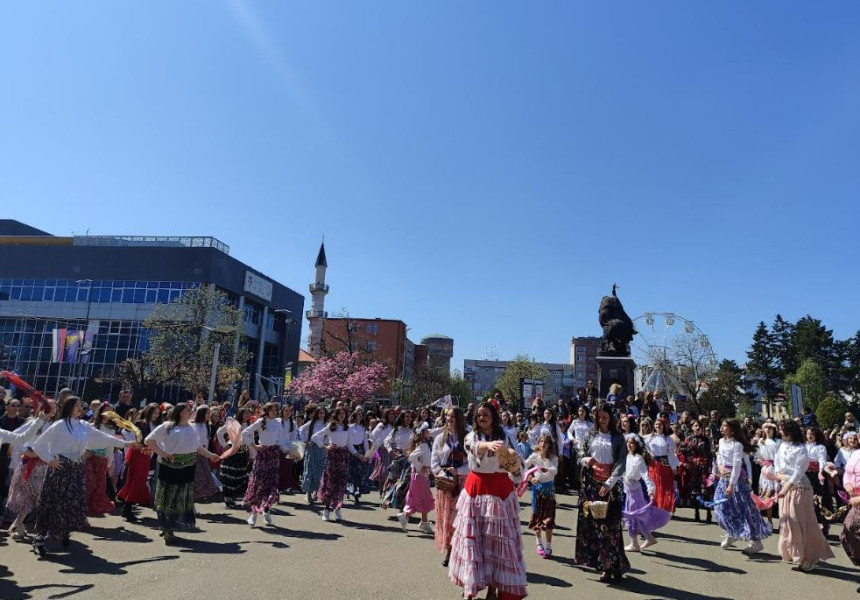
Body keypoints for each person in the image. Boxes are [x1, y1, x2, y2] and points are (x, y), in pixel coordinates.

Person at [30, 395, 135, 554]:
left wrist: (124, 443)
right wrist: (50, 460)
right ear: (68, 406)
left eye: (81, 405)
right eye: (76, 405)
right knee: (53, 501)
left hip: (76, 468)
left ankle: (63, 531)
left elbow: (102, 436)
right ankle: (39, 537)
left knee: (71, 502)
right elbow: (39, 444)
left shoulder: (84, 425)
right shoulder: (60, 425)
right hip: (59, 468)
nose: (80, 408)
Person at [448, 401, 526, 600]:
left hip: (500, 492)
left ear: (494, 417)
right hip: (477, 489)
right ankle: (471, 584)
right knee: (474, 540)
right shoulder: (471, 436)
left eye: (485, 415)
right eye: (479, 415)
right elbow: (473, 447)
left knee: (497, 544)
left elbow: (518, 463)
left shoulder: (507, 437)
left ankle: (493, 588)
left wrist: (515, 467)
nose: (481, 418)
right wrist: (488, 445)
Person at [145, 403, 221, 544]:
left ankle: (169, 527)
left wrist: (211, 455)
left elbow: (197, 447)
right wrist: (162, 453)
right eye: (187, 410)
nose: (191, 411)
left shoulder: (192, 428)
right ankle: (167, 529)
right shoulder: (168, 426)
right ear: (179, 412)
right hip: (170, 466)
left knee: (180, 499)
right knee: (167, 498)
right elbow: (149, 440)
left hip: (188, 467)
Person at [574, 404, 629, 583]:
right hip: (592, 486)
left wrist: (610, 482)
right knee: (595, 527)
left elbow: (621, 462)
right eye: (599, 417)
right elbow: (580, 453)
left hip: (610, 487)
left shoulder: (618, 437)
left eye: (605, 417)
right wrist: (585, 459)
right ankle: (603, 566)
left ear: (611, 418)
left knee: (610, 528)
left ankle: (614, 565)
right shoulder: (590, 435)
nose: (601, 420)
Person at [774, 419, 834, 571]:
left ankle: (810, 557)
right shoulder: (782, 446)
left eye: (782, 429)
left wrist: (785, 487)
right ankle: (798, 555)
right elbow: (777, 466)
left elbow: (798, 473)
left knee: (800, 523)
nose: (780, 432)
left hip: (800, 489)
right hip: (785, 488)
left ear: (790, 431)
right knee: (787, 522)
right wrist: (779, 482)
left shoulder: (801, 449)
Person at [712, 419, 771, 554]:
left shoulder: (737, 445)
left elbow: (737, 465)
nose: (722, 427)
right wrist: (720, 467)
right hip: (724, 479)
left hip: (736, 481)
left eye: (725, 425)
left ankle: (756, 542)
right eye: (722, 425)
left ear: (732, 430)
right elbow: (719, 456)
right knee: (721, 507)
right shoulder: (721, 441)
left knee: (744, 509)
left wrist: (732, 485)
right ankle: (733, 532)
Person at [431, 407, 469, 568]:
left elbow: (473, 462)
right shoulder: (440, 438)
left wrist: (459, 471)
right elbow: (434, 461)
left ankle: (458, 549)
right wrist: (442, 473)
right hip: (445, 484)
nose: (450, 419)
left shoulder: (467, 438)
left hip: (462, 483)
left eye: (453, 416)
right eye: (447, 416)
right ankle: (449, 549)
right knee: (446, 519)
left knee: (459, 518)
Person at [622, 434, 671, 552]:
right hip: (628, 491)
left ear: (637, 445)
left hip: (635, 492)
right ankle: (646, 539)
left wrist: (650, 490)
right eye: (628, 442)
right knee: (633, 517)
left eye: (632, 443)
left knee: (633, 517)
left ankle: (636, 543)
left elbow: (645, 476)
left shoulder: (638, 459)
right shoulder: (627, 456)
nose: (630, 445)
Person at [313, 407, 363, 522]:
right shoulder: (331, 426)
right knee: (331, 483)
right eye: (339, 413)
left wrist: (359, 455)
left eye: (343, 414)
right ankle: (326, 509)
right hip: (332, 457)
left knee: (341, 484)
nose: (342, 416)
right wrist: (325, 446)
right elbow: (315, 437)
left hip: (343, 457)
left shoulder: (347, 428)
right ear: (335, 415)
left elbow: (350, 445)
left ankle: (338, 508)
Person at [242, 402, 284, 527]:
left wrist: (288, 451)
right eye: (272, 410)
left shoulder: (278, 422)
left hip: (274, 455)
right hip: (263, 455)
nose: (275, 412)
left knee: (271, 484)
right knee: (258, 484)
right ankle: (253, 514)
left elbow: (280, 440)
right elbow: (245, 432)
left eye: (276, 410)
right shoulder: (261, 421)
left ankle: (266, 510)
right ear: (267, 411)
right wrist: (254, 445)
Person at [117, 403, 160, 521]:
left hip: (147, 455)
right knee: (135, 481)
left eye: (157, 413)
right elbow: (132, 438)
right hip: (138, 454)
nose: (156, 415)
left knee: (139, 481)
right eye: (154, 412)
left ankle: (127, 508)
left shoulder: (155, 425)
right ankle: (127, 508)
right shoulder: (140, 424)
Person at [525, 433, 558, 558]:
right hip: (537, 490)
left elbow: (555, 470)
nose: (543, 444)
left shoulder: (553, 458)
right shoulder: (534, 456)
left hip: (549, 491)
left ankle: (549, 545)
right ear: (538, 443)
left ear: (549, 445)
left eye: (546, 442)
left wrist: (547, 469)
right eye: (541, 441)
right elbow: (524, 467)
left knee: (549, 519)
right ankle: (539, 543)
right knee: (537, 517)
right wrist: (530, 477)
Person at [398, 423, 435, 533]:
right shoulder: (423, 445)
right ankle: (405, 516)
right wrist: (420, 468)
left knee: (423, 498)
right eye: (426, 430)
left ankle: (424, 522)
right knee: (421, 498)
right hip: (419, 476)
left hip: (421, 475)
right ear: (422, 433)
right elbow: (412, 457)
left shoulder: (425, 444)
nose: (429, 431)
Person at [677, 419, 713, 523]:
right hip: (692, 469)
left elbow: (709, 454)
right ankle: (696, 513)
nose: (698, 428)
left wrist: (710, 466)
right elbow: (681, 452)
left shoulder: (706, 440)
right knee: (694, 492)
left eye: (699, 426)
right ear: (692, 428)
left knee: (705, 491)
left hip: (703, 468)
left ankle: (708, 513)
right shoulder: (688, 439)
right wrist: (685, 462)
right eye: (696, 426)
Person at [217, 408, 251, 507]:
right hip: (233, 451)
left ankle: (233, 497)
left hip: (243, 452)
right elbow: (219, 433)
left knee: (240, 475)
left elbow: (251, 439)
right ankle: (228, 498)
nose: (248, 414)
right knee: (230, 474)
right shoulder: (233, 422)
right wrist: (225, 445)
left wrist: (252, 454)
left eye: (249, 413)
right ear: (240, 413)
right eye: (246, 412)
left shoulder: (249, 425)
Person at [755, 422, 782, 529]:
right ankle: (769, 522)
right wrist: (760, 461)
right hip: (766, 471)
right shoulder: (761, 442)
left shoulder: (779, 442)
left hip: (777, 470)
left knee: (779, 495)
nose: (768, 429)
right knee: (767, 496)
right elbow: (757, 456)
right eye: (766, 427)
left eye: (770, 428)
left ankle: (782, 521)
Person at [300, 404, 328, 504]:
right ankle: (308, 494)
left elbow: (328, 435)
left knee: (319, 471)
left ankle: (316, 493)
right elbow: (301, 429)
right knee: (309, 470)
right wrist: (305, 441)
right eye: (320, 413)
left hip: (322, 449)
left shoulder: (326, 424)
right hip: (311, 448)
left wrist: (327, 445)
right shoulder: (312, 422)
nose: (322, 415)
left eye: (323, 413)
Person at [839, 437, 860, 568]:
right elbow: (847, 473)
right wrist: (847, 484)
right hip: (856, 502)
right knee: (847, 532)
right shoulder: (856, 453)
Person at [346, 407, 370, 503]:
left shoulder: (363, 428)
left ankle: (356, 491)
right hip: (352, 451)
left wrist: (367, 454)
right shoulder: (349, 427)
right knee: (351, 472)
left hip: (360, 450)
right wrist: (354, 452)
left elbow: (365, 442)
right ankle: (349, 490)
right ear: (355, 416)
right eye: (358, 414)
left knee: (359, 473)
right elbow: (349, 442)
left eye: (361, 415)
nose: (360, 416)